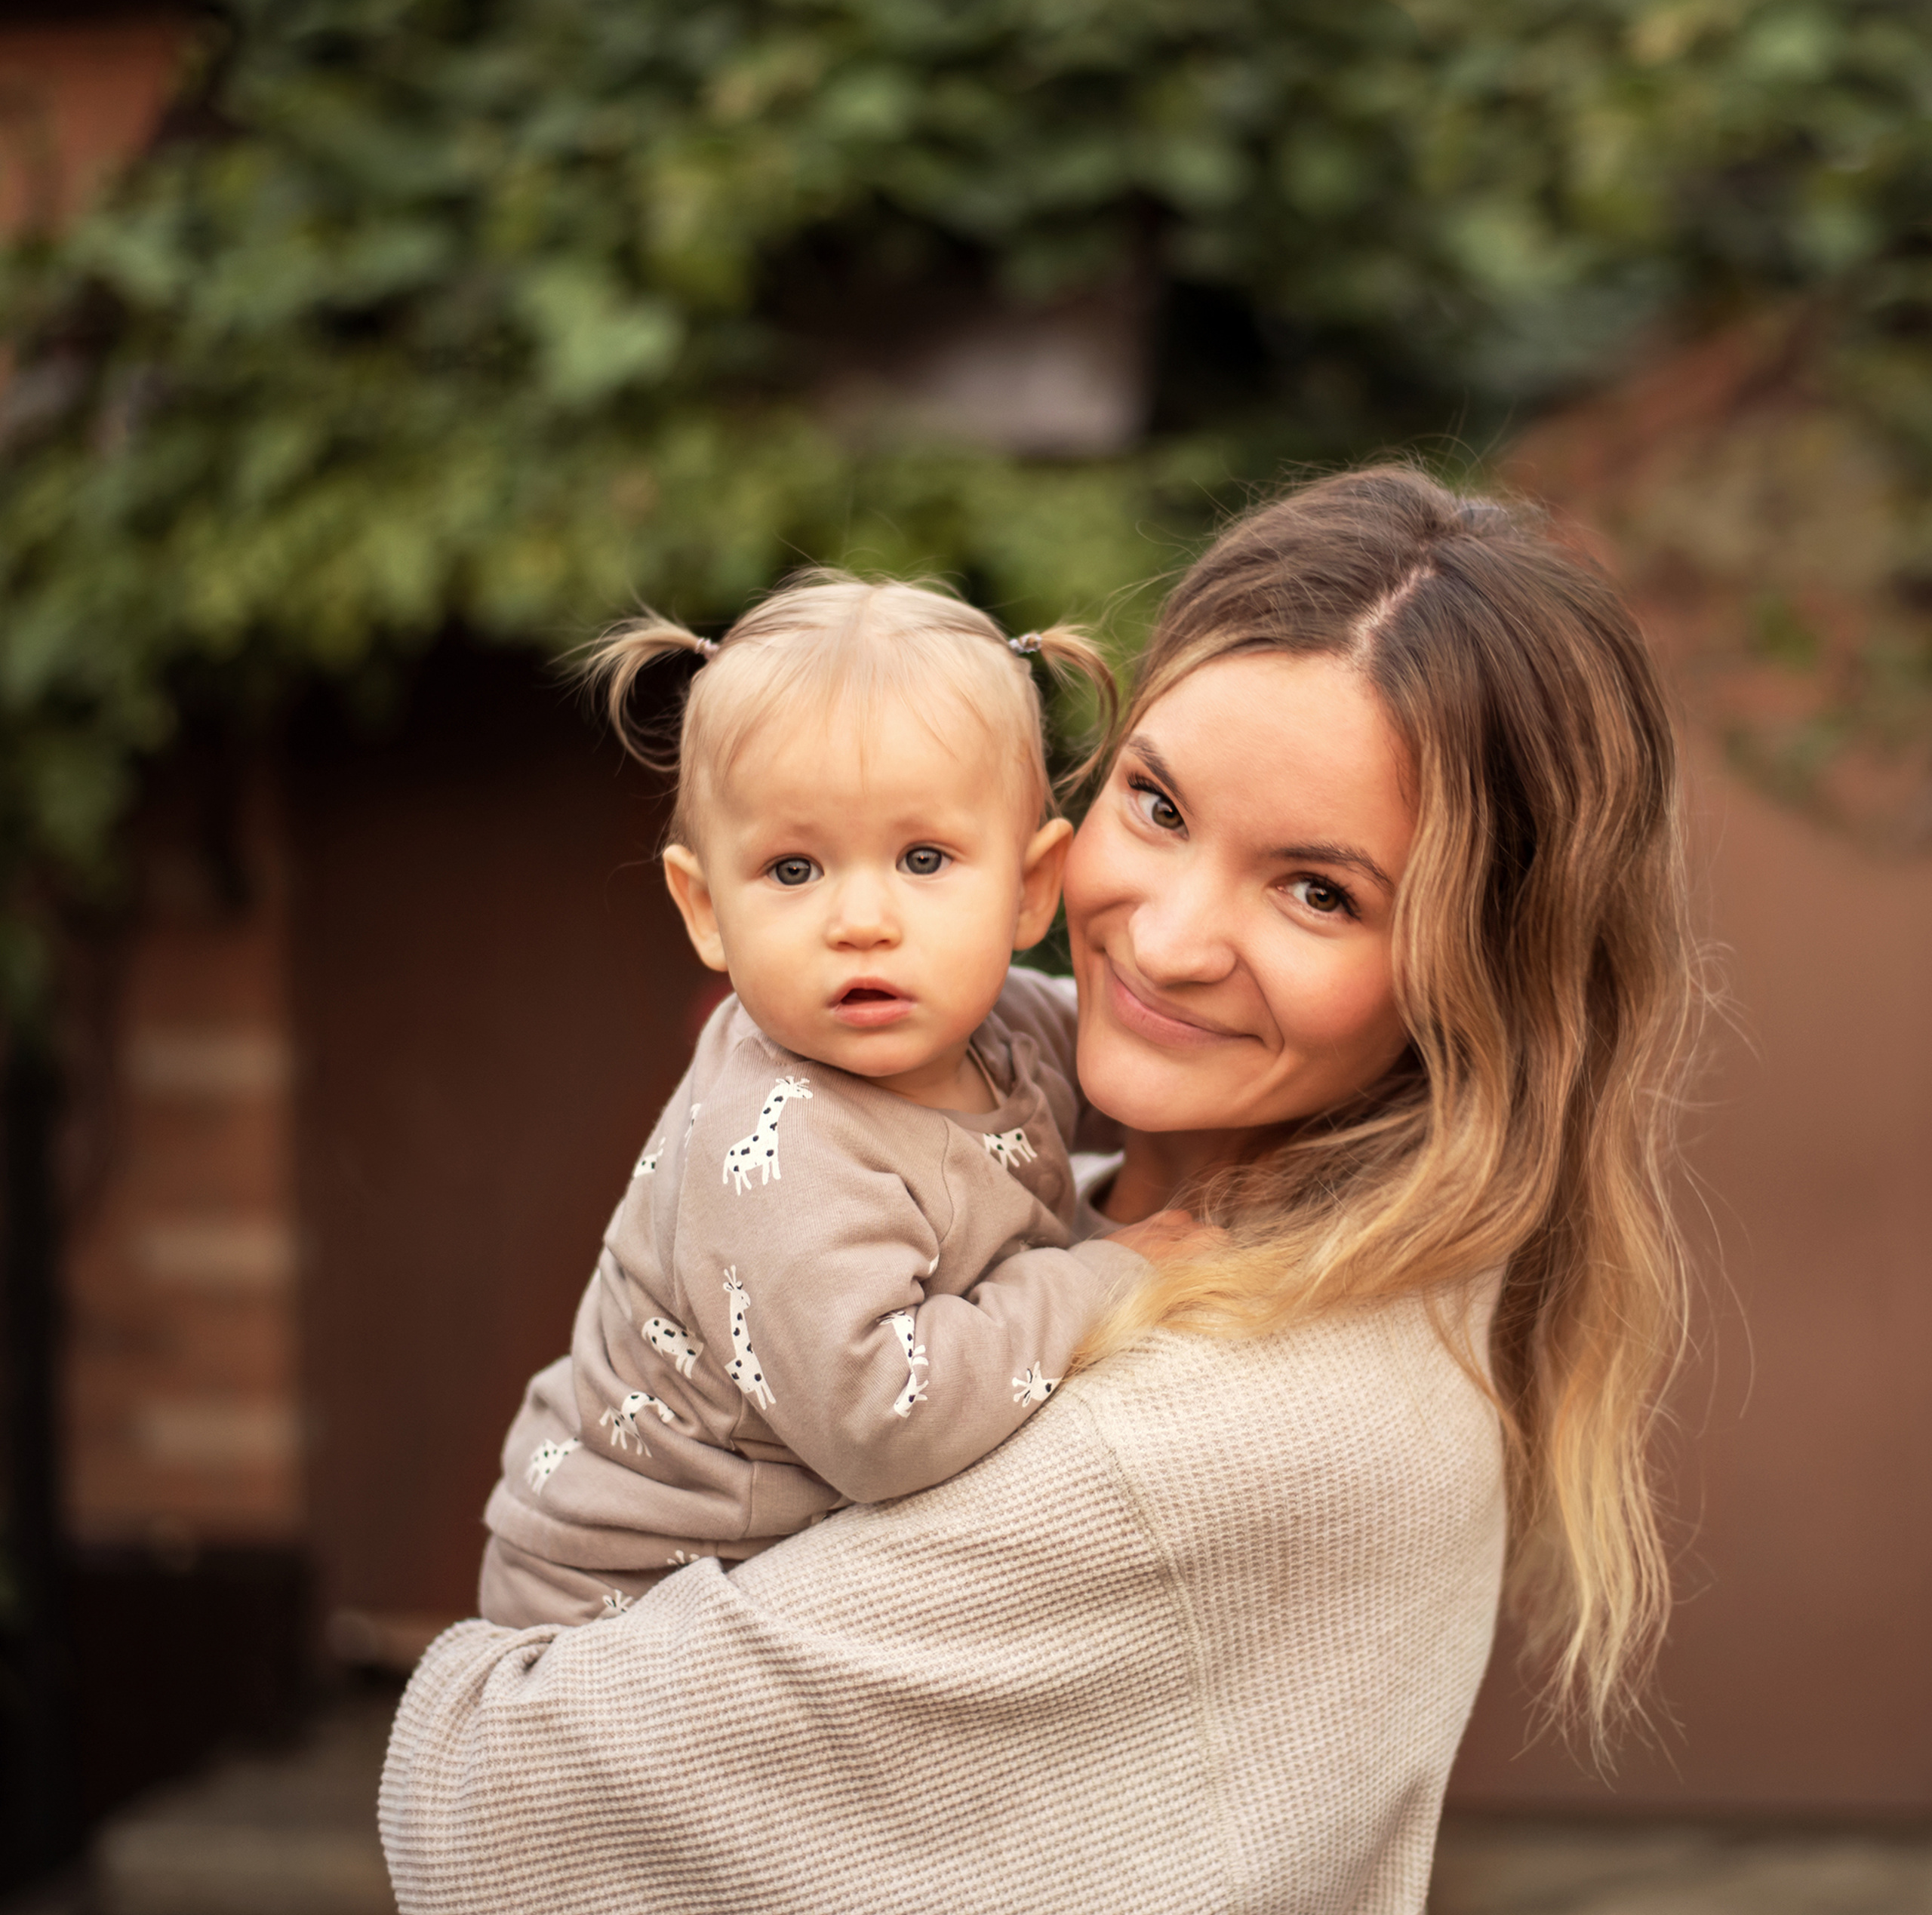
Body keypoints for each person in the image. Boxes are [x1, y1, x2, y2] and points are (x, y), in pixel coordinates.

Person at [380, 466, 1699, 1914]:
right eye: (1158, 802)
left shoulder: (1213, 1433)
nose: (1167, 938)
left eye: (1319, 891)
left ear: (1480, 978)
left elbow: (490, 1823)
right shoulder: (1042, 1169)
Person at [478, 573, 1183, 1628]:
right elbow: (886, 1422)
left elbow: (1144, 1092)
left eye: (924, 859)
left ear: (1033, 888)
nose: (861, 919)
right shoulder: (776, 1153)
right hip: (619, 1606)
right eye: (794, 868)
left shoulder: (1008, 1033)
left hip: (765, 1564)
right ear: (707, 909)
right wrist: (1113, 1273)